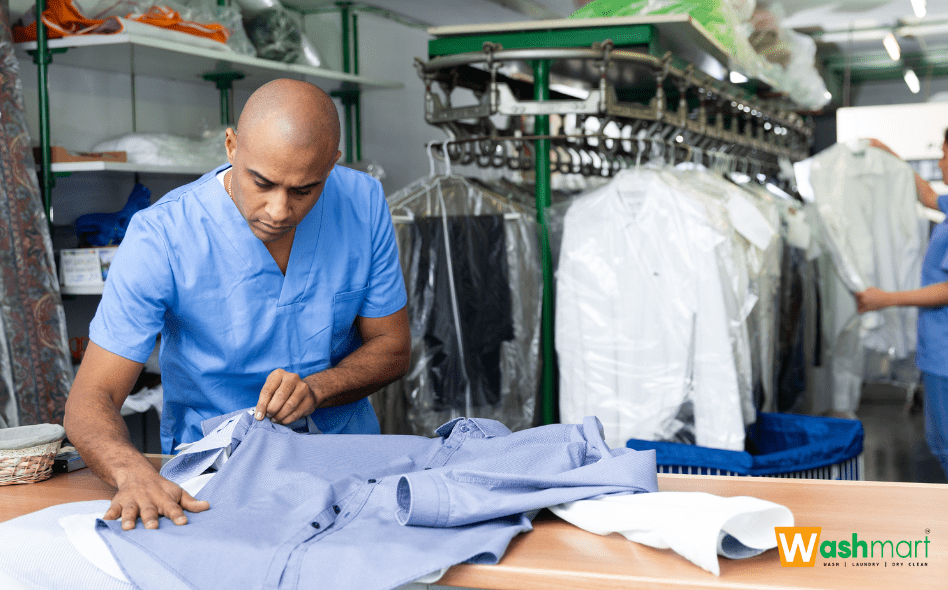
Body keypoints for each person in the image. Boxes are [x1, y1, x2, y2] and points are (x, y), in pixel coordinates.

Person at [63, 79, 411, 531]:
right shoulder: (162, 237)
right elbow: (92, 397)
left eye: (305, 190)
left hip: (347, 463)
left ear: (332, 166)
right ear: (231, 146)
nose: (279, 209)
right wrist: (132, 473)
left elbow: (392, 347)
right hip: (214, 479)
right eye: (262, 182)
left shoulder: (362, 203)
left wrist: (317, 390)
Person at [855, 134, 948, 479]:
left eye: (943, 155)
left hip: (945, 354)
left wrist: (887, 299)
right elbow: (927, 194)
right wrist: (891, 156)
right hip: (937, 349)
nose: (939, 163)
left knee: (944, 445)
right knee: (938, 441)